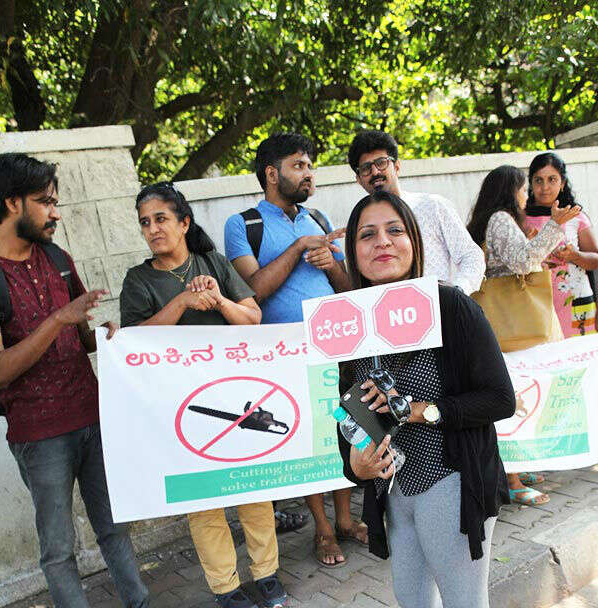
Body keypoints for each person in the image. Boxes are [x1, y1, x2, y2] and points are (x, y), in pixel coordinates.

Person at [0, 154, 197, 608]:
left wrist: (102, 336)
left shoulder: (57, 258)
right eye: (45, 201)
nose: (54, 212)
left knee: (114, 525)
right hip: (39, 435)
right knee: (59, 548)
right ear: (12, 203)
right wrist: (56, 321)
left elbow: (78, 333)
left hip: (92, 414)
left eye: (54, 200)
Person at [338, 189, 516, 608]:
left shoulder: (449, 306)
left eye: (395, 230)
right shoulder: (351, 323)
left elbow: (498, 398)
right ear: (352, 249)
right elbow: (351, 418)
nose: (382, 242)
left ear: (414, 241)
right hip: (398, 492)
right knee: (414, 596)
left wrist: (420, 411)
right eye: (368, 234)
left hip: (452, 482)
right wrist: (356, 464)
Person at [120, 182, 286, 608]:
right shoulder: (139, 280)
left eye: (161, 219)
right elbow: (132, 344)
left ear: (184, 223)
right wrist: (182, 301)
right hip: (183, 407)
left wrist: (218, 299)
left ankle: (267, 573)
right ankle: (226, 587)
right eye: (145, 222)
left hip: (236, 394)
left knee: (254, 487)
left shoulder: (212, 261)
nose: (153, 229)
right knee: (204, 499)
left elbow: (253, 318)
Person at [225, 132, 367, 569]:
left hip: (333, 345)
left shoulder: (319, 219)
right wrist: (299, 248)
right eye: (299, 166)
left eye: (310, 166)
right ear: (272, 174)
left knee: (343, 429)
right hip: (282, 355)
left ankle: (345, 521)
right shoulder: (242, 224)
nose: (309, 174)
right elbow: (254, 291)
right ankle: (322, 529)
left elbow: (346, 289)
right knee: (307, 441)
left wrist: (332, 264)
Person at [467, 164, 581, 506]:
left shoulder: (497, 220)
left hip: (508, 323)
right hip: (509, 325)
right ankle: (512, 480)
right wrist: (555, 227)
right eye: (522, 187)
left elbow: (517, 259)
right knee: (513, 397)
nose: (526, 194)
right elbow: (520, 261)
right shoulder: (501, 218)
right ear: (509, 190)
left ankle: (517, 468)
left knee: (517, 394)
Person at [348, 129, 485, 294]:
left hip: (440, 311)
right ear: (358, 179)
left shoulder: (432, 206)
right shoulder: (360, 224)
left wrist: (458, 292)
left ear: (397, 166)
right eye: (366, 168)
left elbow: (471, 255)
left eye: (381, 163)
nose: (375, 172)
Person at [525, 152, 598, 337]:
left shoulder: (575, 216)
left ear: (563, 183)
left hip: (577, 304)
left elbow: (596, 259)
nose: (545, 187)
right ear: (531, 184)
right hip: (536, 306)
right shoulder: (520, 220)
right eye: (538, 180)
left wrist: (575, 256)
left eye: (552, 179)